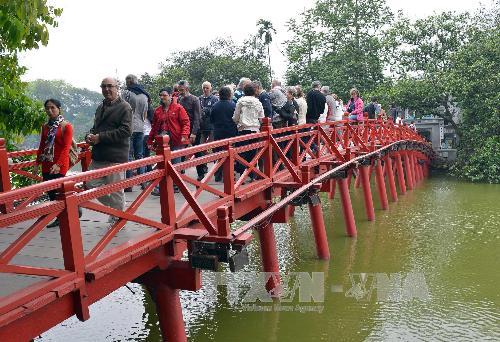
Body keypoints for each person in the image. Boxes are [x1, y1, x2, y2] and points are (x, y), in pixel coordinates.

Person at [85, 77, 132, 223]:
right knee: (89, 184)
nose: (106, 89)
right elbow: (95, 128)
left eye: (110, 86)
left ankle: (117, 219)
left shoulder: (125, 107)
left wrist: (100, 137)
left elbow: (126, 131)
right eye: (103, 86)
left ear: (117, 88)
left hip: (115, 156)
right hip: (99, 155)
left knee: (116, 191)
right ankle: (118, 210)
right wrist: (90, 135)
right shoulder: (100, 106)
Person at [35, 99, 79, 227]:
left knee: (58, 190)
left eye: (52, 108)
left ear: (59, 108)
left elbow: (66, 148)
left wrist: (58, 164)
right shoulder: (45, 126)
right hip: (47, 162)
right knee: (49, 190)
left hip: (60, 163)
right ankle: (67, 211)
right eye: (47, 108)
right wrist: (37, 163)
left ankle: (61, 216)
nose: (50, 111)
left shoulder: (66, 126)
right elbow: (42, 145)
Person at [148, 87, 190, 195]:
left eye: (164, 95)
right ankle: (162, 188)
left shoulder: (178, 108)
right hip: (162, 142)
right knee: (162, 165)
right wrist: (150, 140)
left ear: (171, 95)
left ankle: (176, 186)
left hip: (176, 140)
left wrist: (184, 135)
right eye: (160, 95)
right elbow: (154, 127)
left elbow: (186, 122)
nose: (162, 97)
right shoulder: (157, 110)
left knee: (175, 166)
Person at [233, 83, 264, 179]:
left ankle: (242, 176)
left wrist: (238, 122)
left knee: (242, 154)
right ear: (254, 91)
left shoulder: (240, 101)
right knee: (253, 153)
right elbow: (262, 118)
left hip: (243, 130)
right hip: (254, 130)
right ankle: (252, 175)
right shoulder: (258, 102)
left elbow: (235, 116)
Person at [124, 74, 150, 191]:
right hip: (141, 127)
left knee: (129, 156)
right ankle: (142, 181)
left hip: (129, 127)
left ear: (129, 82)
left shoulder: (127, 93)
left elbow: (123, 110)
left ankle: (129, 184)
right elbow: (145, 114)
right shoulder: (145, 95)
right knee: (140, 155)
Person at [177, 80, 203, 179]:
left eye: (182, 90)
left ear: (187, 89)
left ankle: (201, 173)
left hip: (193, 129)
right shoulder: (180, 99)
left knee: (197, 151)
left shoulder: (194, 99)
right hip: (183, 129)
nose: (180, 92)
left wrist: (194, 133)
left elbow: (197, 117)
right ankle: (180, 173)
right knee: (181, 152)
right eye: (179, 90)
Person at [211, 86, 238, 181]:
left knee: (218, 154)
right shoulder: (233, 105)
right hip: (231, 132)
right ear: (229, 94)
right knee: (231, 154)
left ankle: (218, 175)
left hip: (218, 132)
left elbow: (212, 119)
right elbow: (236, 119)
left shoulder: (215, 105)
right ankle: (229, 175)